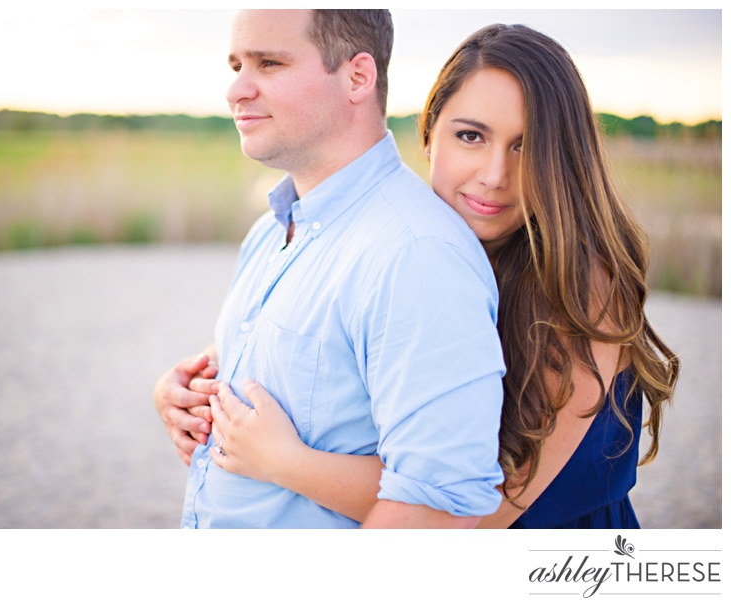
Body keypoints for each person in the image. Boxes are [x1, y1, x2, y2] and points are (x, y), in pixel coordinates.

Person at [179, 23, 680, 528]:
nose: (493, 175)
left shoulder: (581, 290)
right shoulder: (398, 245)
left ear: (563, 160)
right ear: (429, 134)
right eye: (471, 136)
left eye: (525, 147)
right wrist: (188, 389)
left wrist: (287, 464)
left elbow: (483, 510)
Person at [155, 9, 507, 528]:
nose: (236, 91)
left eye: (269, 63)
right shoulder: (271, 230)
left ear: (358, 77)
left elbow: (439, 513)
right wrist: (185, 394)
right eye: (236, 65)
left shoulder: (416, 254)